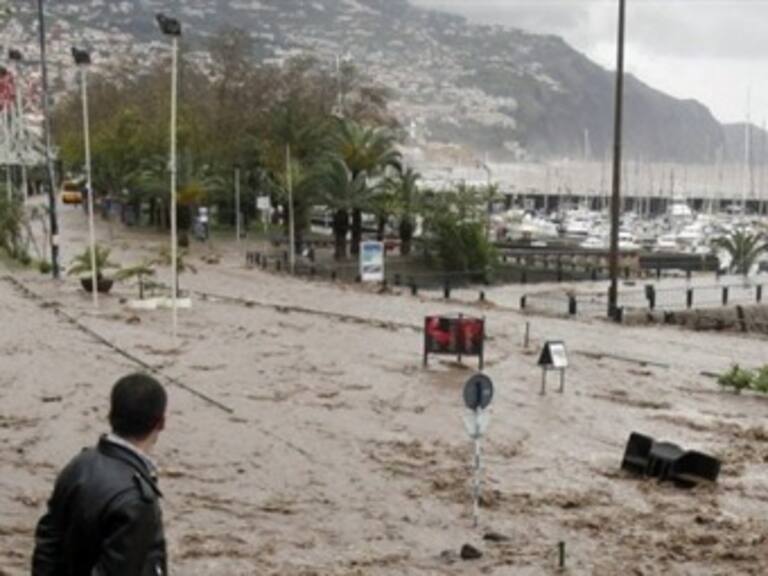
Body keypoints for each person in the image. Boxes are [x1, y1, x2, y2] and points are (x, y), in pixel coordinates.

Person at [32, 373, 168, 576]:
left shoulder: (78, 465)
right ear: (161, 423)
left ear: (111, 415)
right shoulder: (138, 503)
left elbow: (47, 544)